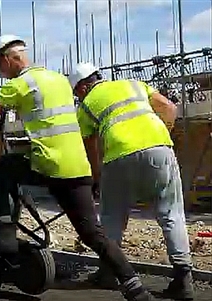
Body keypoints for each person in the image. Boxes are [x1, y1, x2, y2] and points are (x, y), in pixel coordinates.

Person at [0, 35, 154, 301]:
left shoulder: (19, 84)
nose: (3, 76)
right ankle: (135, 288)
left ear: (6, 59)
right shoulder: (58, 80)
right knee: (93, 233)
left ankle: (3, 233)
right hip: (77, 168)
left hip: (48, 164)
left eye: (0, 71)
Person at [68, 62, 194, 300]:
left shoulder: (86, 107)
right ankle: (184, 279)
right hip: (159, 149)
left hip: (118, 157)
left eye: (76, 92)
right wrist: (160, 137)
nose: (77, 97)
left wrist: (96, 178)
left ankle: (108, 271)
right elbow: (168, 107)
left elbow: (90, 146)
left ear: (83, 86)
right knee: (171, 214)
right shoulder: (134, 84)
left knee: (111, 216)